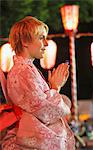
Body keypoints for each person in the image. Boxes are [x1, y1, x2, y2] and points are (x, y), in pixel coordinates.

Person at [1, 16, 75, 150]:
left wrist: (54, 89)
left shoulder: (26, 69)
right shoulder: (23, 72)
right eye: (41, 38)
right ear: (25, 41)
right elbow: (44, 112)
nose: (46, 43)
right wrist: (54, 87)